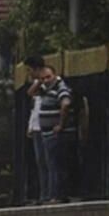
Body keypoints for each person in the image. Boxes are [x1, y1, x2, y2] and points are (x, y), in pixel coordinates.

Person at [36, 65, 75, 203]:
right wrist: (39, 83)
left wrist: (60, 125)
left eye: (48, 77)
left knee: (55, 165)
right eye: (43, 78)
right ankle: (56, 194)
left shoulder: (60, 87)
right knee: (52, 164)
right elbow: (31, 92)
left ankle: (56, 195)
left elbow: (65, 104)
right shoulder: (46, 89)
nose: (46, 80)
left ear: (55, 75)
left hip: (56, 134)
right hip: (47, 134)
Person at [24, 56, 47, 204]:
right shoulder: (37, 84)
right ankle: (43, 193)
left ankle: (47, 194)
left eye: (30, 70)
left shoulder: (45, 83)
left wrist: (39, 80)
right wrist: (30, 126)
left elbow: (30, 93)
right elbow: (34, 108)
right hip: (37, 126)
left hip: (45, 126)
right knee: (40, 162)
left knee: (46, 162)